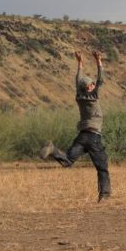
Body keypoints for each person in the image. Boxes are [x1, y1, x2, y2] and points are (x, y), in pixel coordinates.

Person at [40, 50, 110, 202]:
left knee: (68, 160)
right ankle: (104, 195)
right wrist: (98, 61)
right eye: (92, 84)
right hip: (93, 136)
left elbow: (78, 80)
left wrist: (80, 63)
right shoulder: (93, 96)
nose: (93, 84)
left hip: (82, 136)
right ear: (90, 87)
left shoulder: (79, 96)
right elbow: (101, 80)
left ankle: (53, 150)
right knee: (102, 167)